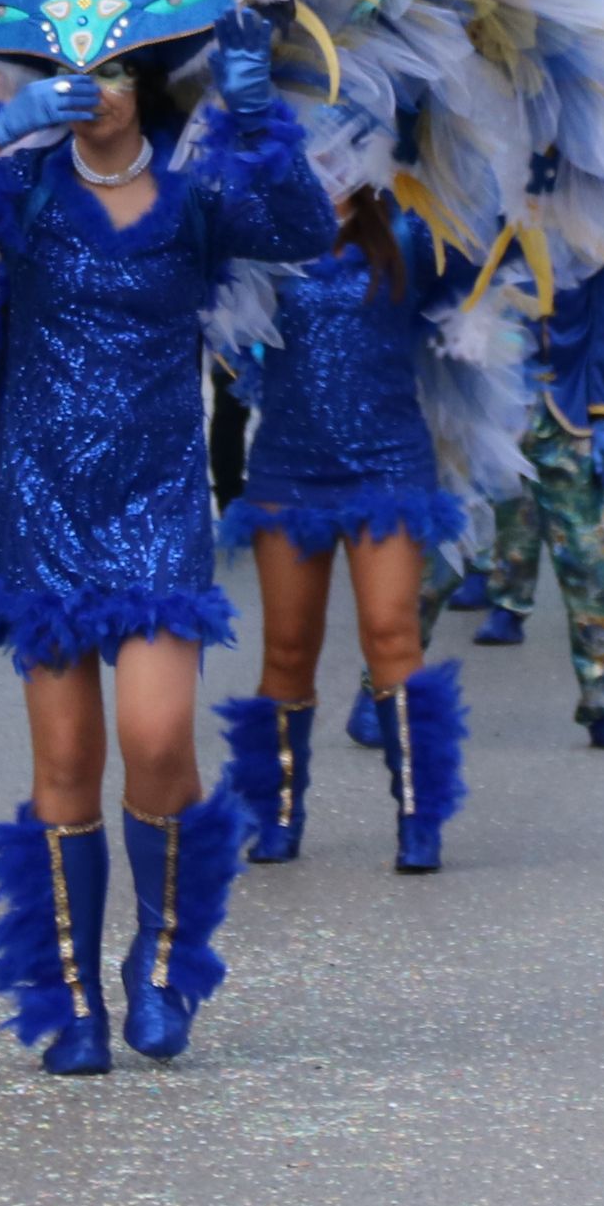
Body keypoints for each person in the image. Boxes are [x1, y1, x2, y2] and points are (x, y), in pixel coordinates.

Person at [0, 21, 331, 1073]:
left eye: (117, 68)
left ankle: (163, 959)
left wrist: (258, 116)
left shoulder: (198, 191)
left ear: (152, 79)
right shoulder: (25, 188)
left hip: (157, 504)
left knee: (159, 736)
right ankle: (70, 997)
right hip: (39, 508)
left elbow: (304, 227)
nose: (97, 90)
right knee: (67, 761)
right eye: (76, 70)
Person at [218, 186, 476, 868]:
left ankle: (420, 817)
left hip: (388, 464)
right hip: (287, 467)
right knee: (287, 648)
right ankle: (275, 813)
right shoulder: (261, 228)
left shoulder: (413, 226)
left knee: (391, 631)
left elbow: (478, 258)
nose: (327, 151)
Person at [481, 265, 604, 755]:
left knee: (592, 563)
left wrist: (603, 414)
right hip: (485, 406)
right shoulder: (478, 215)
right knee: (434, 563)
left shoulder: (589, 222)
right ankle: (380, 692)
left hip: (566, 411)